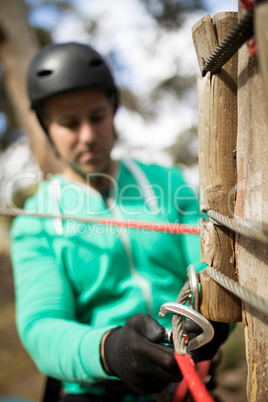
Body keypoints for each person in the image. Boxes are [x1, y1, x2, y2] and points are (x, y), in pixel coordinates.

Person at [10, 42, 228, 401]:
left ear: (114, 108)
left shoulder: (168, 184)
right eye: (69, 124)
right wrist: (108, 349)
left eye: (96, 116)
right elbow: (41, 327)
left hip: (188, 380)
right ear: (46, 126)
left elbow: (208, 264)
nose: (88, 136)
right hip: (98, 390)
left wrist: (210, 314)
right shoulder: (36, 223)